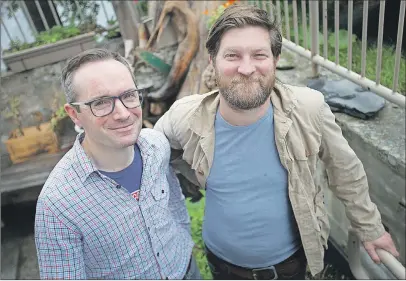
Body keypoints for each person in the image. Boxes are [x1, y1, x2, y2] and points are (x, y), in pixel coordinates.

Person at [154, 4, 399, 280]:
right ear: (212, 60)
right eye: (232, 55)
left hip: (291, 267)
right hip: (221, 265)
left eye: (259, 55)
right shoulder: (184, 117)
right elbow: (153, 158)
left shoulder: (309, 109)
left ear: (275, 59)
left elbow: (346, 171)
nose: (246, 68)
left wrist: (370, 228)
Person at [34, 49, 201, 280]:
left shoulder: (157, 146)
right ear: (75, 114)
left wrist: (184, 241)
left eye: (129, 95)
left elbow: (174, 202)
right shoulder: (57, 204)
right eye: (101, 102)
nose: (123, 113)